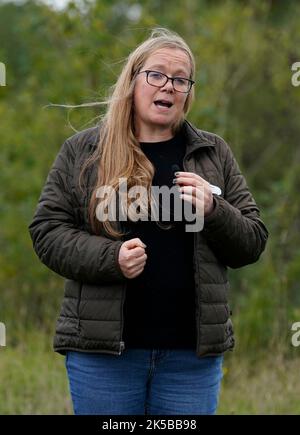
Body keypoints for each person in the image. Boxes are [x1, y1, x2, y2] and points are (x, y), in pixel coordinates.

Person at [28, 27, 268, 415]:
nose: (169, 86)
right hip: (104, 356)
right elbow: (47, 231)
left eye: (180, 80)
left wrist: (213, 210)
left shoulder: (212, 153)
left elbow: (253, 241)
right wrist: (112, 258)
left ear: (189, 92)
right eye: (156, 74)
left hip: (190, 360)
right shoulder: (85, 150)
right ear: (133, 81)